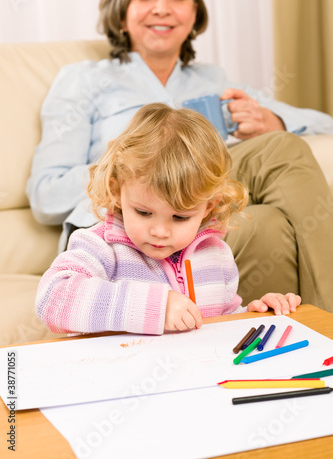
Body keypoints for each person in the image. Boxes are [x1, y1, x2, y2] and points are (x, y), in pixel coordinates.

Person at [26, 0, 333, 312]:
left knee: (279, 157)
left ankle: (311, 330)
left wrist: (269, 119)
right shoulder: (83, 80)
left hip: (199, 213)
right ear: (122, 9)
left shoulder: (214, 81)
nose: (161, 8)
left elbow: (323, 122)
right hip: (124, 219)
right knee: (268, 222)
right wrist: (136, 168)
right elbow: (44, 195)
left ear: (194, 14)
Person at [35, 104, 302, 335]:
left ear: (209, 207)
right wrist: (154, 308)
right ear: (117, 192)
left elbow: (218, 325)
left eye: (180, 217)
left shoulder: (217, 256)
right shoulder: (100, 247)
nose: (160, 231)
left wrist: (252, 315)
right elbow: (52, 300)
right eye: (143, 212)